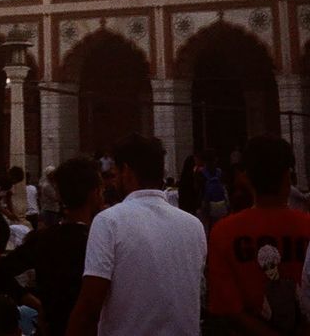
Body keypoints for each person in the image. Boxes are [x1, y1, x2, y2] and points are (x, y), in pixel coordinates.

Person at [66, 133, 206, 336]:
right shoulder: (194, 226)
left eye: (114, 173)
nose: (112, 182)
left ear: (126, 171)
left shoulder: (109, 221)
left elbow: (90, 305)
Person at [208, 135, 310, 334]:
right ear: (288, 177)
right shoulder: (306, 226)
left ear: (246, 178)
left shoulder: (223, 233)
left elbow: (228, 309)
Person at [0, 155, 103, 336]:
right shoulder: (98, 242)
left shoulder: (43, 239)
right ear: (94, 193)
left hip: (51, 326)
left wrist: (31, 300)